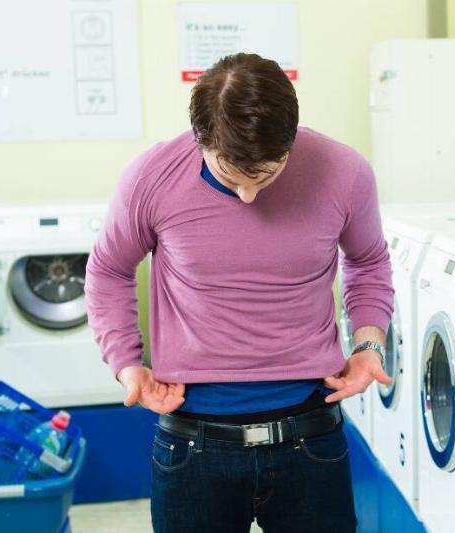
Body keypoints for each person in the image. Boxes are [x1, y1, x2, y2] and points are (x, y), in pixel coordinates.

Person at [84, 52, 394, 532]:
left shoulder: (344, 172)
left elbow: (369, 259)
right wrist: (126, 363)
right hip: (193, 445)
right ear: (200, 139)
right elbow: (108, 269)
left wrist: (369, 343)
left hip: (309, 437)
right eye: (231, 177)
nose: (249, 197)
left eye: (267, 175)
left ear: (290, 140)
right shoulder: (151, 177)